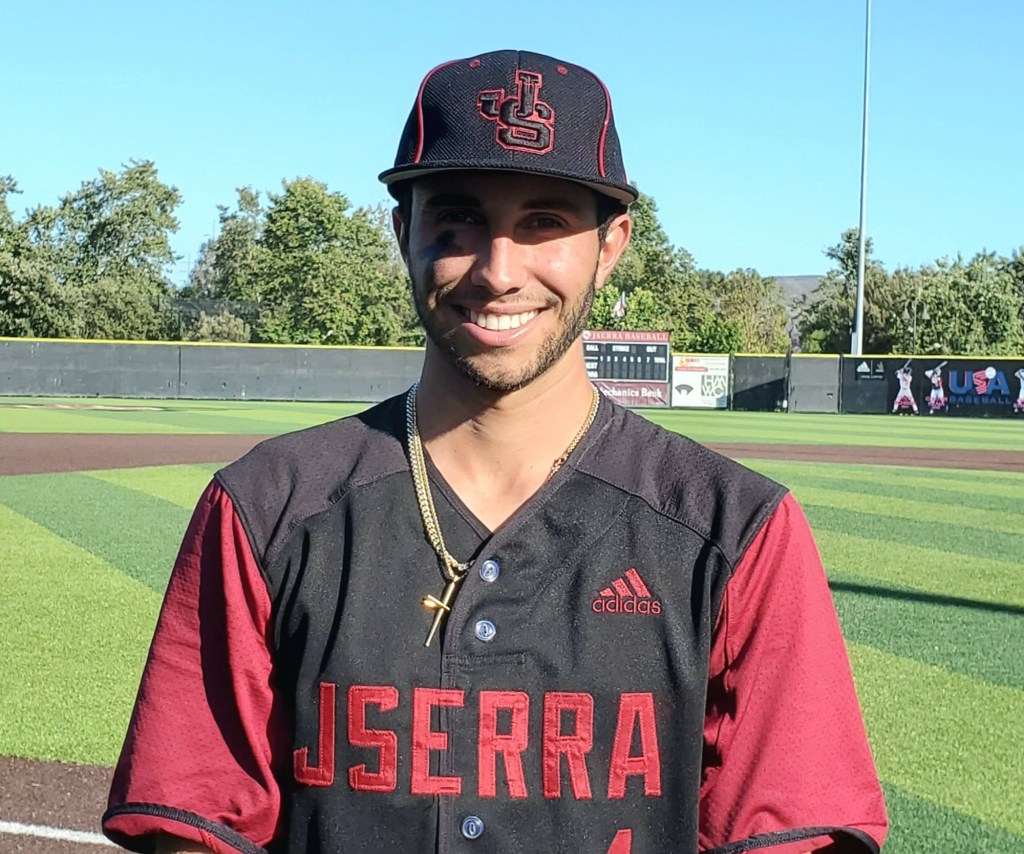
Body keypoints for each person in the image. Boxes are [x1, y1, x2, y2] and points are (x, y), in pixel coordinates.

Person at [103, 50, 887, 854]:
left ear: (610, 244)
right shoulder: (267, 506)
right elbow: (194, 827)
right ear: (405, 231)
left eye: (544, 221)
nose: (498, 270)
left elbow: (795, 833)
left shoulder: (736, 530)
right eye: (458, 218)